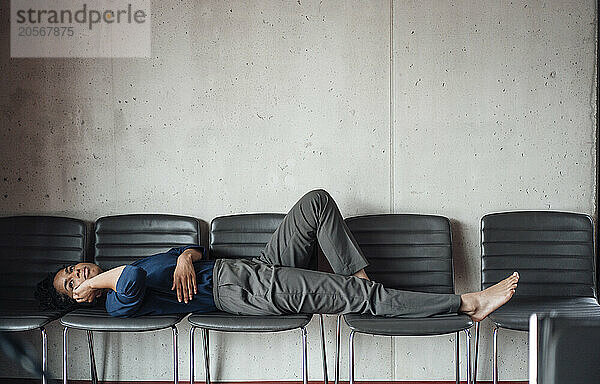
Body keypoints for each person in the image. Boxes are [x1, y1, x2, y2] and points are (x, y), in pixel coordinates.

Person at [35, 189, 519, 321]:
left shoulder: (124, 266)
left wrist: (186, 252)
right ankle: (466, 304)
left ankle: (362, 280)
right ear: (79, 299)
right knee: (358, 300)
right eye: (71, 283)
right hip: (241, 291)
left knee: (316, 202)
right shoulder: (116, 299)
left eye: (72, 270)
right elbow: (133, 283)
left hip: (251, 268)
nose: (78, 273)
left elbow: (188, 251)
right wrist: (97, 286)